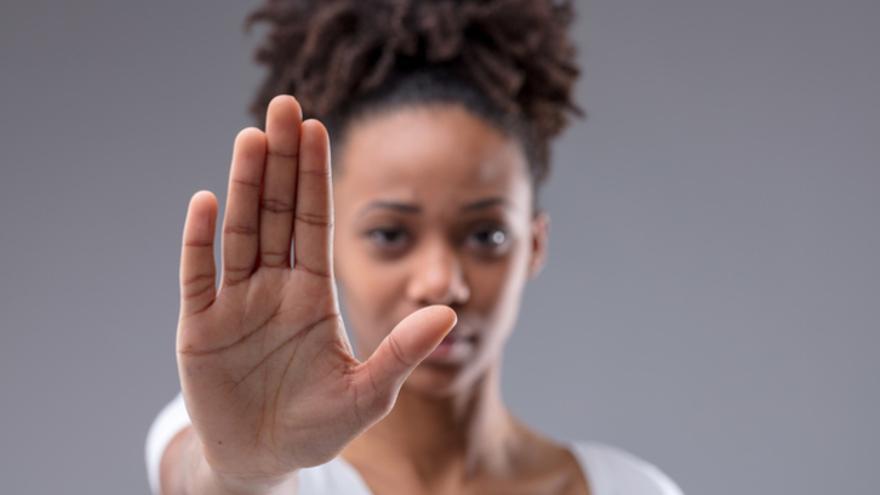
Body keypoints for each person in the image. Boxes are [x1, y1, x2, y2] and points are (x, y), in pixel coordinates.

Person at [146, 1, 684, 493]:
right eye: (389, 235)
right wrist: (243, 474)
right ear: (326, 243)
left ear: (535, 246)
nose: (441, 282)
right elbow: (200, 475)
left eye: (487, 236)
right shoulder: (250, 433)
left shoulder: (633, 488)